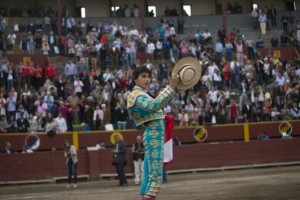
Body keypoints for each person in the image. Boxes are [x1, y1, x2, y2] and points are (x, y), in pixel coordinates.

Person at [127, 66, 180, 200]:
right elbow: (153, 106)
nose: (147, 79)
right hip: (153, 136)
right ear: (135, 79)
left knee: (148, 174)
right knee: (154, 174)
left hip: (153, 134)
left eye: (148, 77)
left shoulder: (142, 95)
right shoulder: (136, 95)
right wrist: (170, 87)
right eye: (143, 76)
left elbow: (154, 106)